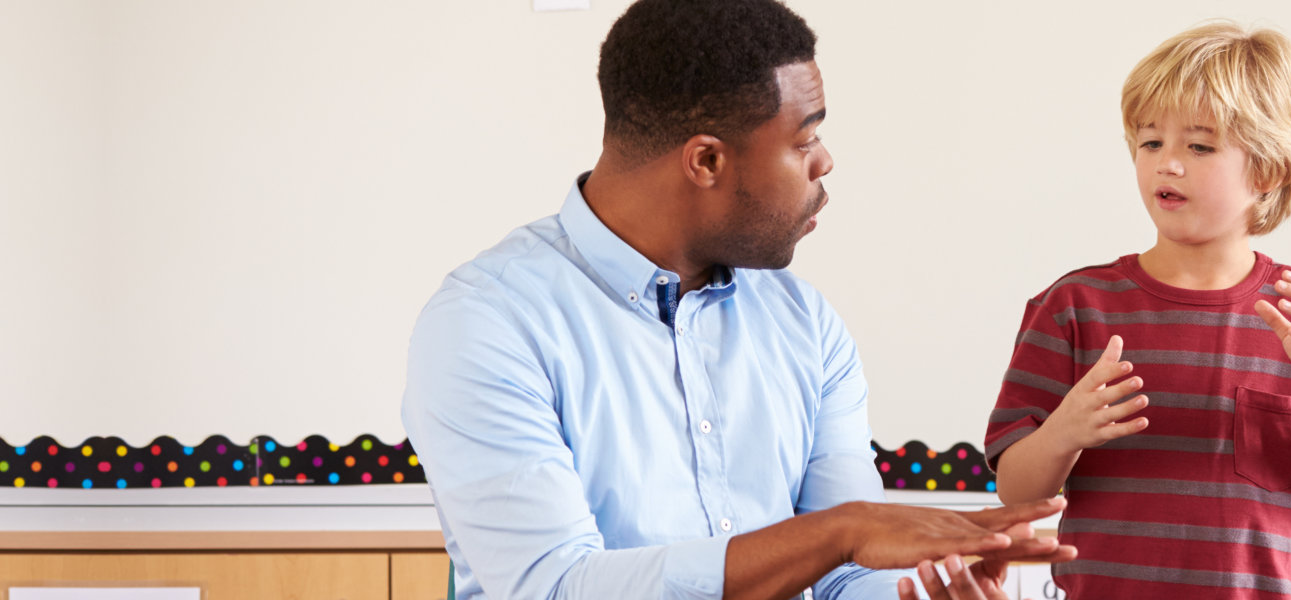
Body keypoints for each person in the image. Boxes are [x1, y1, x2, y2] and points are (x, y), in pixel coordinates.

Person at [401, 1, 1071, 598]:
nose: (826, 162)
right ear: (707, 162)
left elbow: (849, 570)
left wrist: (913, 593)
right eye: (804, 139)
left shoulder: (806, 324)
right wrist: (839, 533)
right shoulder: (485, 324)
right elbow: (555, 585)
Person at [984, 21, 1291, 599]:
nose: (1167, 164)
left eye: (1199, 146)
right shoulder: (1073, 306)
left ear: (1267, 171)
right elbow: (1017, 492)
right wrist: (1066, 431)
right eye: (1151, 143)